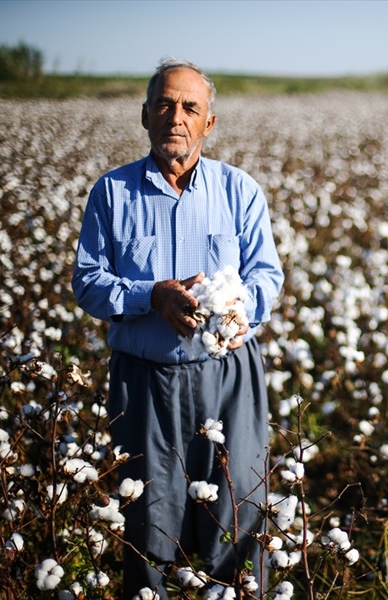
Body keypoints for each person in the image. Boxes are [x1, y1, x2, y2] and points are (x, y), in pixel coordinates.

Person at [73, 57, 284, 598]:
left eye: (191, 107)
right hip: (143, 381)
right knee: (147, 523)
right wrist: (151, 296)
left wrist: (240, 311)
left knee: (236, 521)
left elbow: (267, 276)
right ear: (144, 115)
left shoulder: (240, 191)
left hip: (228, 377)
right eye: (164, 105)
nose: (177, 117)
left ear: (208, 123)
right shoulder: (112, 194)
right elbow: (89, 283)